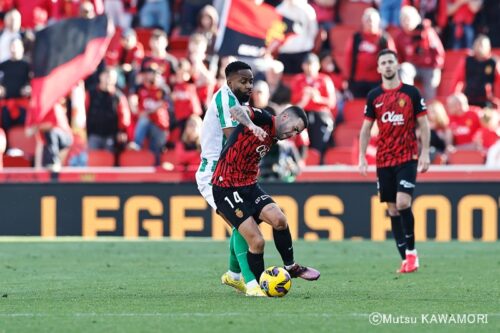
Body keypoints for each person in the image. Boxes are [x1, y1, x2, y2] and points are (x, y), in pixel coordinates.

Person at [212, 104, 320, 297]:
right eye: (295, 128)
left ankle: (291, 266)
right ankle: (260, 285)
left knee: (280, 220)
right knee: (257, 240)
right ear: (285, 117)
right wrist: (250, 125)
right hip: (226, 185)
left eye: (298, 132)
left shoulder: (276, 136)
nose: (294, 134)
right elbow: (236, 110)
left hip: (249, 185)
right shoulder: (263, 118)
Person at [358, 49, 430, 274]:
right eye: (383, 63)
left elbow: (424, 124)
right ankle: (406, 259)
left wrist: (426, 152)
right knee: (392, 209)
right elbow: (366, 129)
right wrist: (361, 156)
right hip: (384, 160)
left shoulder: (411, 93)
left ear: (397, 64)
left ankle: (411, 252)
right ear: (378, 68)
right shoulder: (374, 96)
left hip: (408, 157)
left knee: (402, 203)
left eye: (391, 61)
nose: (388, 65)